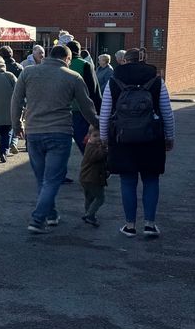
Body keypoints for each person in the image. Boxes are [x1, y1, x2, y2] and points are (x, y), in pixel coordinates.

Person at [11, 44, 99, 234]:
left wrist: (17, 125)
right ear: (67, 59)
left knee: (42, 178)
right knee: (52, 179)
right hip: (60, 132)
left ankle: (50, 215)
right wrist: (98, 125)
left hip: (33, 132)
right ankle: (37, 219)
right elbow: (87, 106)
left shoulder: (28, 73)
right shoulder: (73, 77)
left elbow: (16, 101)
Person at [98, 48, 174, 238]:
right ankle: (149, 224)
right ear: (143, 60)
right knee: (151, 179)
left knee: (128, 181)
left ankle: (130, 225)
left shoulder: (113, 81)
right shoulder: (156, 81)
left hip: (122, 138)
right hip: (152, 138)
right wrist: (169, 137)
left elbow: (105, 112)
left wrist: (104, 138)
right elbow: (167, 111)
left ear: (124, 61)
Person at [66, 41, 101, 153]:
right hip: (80, 111)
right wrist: (97, 113)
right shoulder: (85, 65)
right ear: (79, 51)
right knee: (86, 146)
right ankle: (90, 168)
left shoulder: (60, 66)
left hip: (61, 111)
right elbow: (94, 91)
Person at [79, 132, 108, 227]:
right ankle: (89, 215)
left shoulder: (92, 146)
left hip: (86, 178)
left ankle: (88, 214)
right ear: (89, 137)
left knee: (89, 198)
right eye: (95, 136)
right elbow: (97, 157)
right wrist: (104, 148)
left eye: (100, 135)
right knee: (100, 198)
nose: (98, 138)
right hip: (92, 178)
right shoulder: (91, 147)